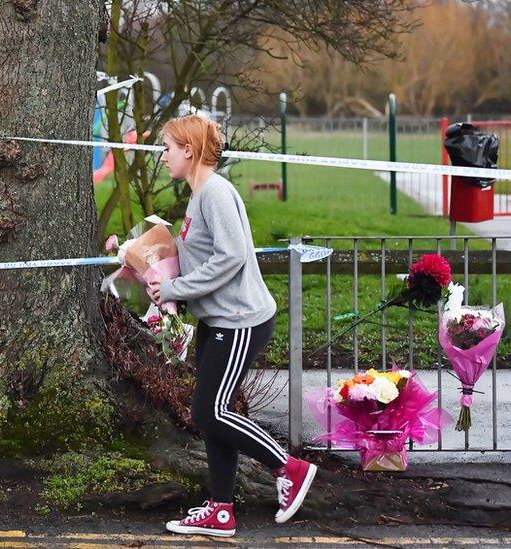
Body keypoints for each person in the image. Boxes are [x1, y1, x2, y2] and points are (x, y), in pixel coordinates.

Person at [147, 114, 316, 538]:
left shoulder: (215, 194)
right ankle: (221, 510)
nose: (162, 156)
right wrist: (162, 279)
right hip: (216, 319)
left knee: (210, 411)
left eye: (167, 147)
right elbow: (205, 258)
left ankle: (289, 468)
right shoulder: (199, 194)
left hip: (239, 320)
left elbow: (232, 257)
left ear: (188, 150)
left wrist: (175, 286)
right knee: (209, 414)